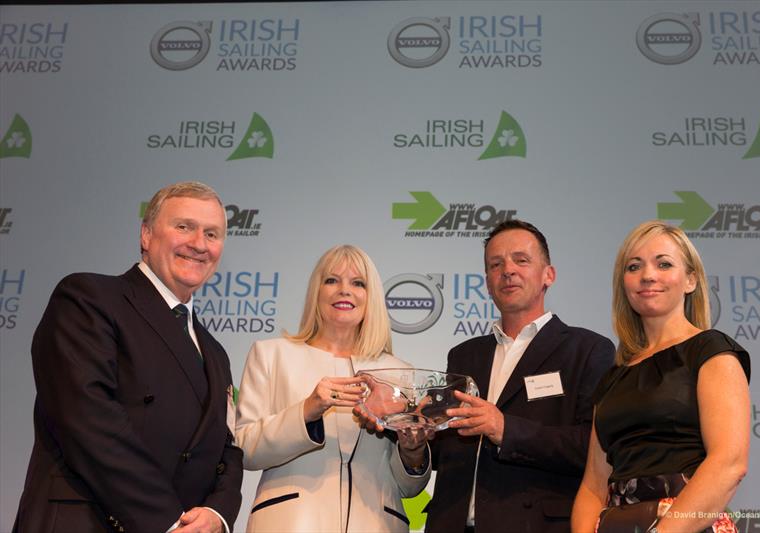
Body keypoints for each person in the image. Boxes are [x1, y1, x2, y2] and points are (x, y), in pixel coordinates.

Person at [13, 182, 243, 533]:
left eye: (212, 233)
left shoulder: (214, 352)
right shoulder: (88, 299)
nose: (199, 244)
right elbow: (89, 421)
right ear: (146, 235)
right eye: (184, 227)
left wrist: (218, 513)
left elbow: (228, 448)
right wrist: (166, 521)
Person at [424, 220, 616, 533]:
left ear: (548, 275)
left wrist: (505, 428)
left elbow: (591, 448)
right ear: (487, 282)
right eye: (495, 264)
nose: (508, 270)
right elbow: (450, 449)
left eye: (521, 260)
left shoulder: (588, 350)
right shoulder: (463, 355)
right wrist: (416, 435)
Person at [235, 244, 430, 533]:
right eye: (331, 280)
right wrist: (307, 411)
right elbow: (244, 448)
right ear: (317, 291)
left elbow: (408, 486)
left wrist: (412, 449)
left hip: (378, 525)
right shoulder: (271, 355)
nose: (344, 290)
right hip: (289, 524)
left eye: (358, 283)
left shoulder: (400, 372)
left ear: (371, 296)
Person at [571, 220, 750, 533]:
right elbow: (593, 486)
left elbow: (729, 463)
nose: (647, 275)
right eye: (634, 266)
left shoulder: (710, 351)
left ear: (691, 279)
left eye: (664, 264)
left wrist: (664, 530)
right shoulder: (612, 377)